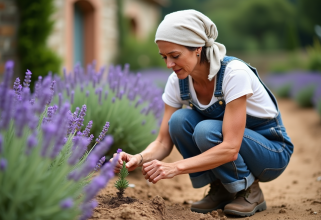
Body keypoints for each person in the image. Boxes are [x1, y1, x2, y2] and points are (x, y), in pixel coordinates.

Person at [110, 9, 294, 217]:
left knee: (206, 130)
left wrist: (175, 168)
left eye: (175, 56)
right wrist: (138, 158)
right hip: (232, 144)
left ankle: (248, 191)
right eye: (164, 57)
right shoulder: (177, 82)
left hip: (271, 151)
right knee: (179, 121)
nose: (169, 65)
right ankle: (223, 188)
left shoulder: (234, 74)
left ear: (197, 48)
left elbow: (231, 147)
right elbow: (163, 142)